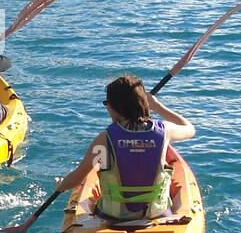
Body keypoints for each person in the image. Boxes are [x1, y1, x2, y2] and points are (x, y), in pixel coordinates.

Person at [53, 73, 195, 222]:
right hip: (155, 214)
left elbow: (76, 179)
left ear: (116, 107)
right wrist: (156, 106)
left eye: (107, 103)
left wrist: (61, 185)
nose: (107, 108)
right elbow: (189, 129)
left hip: (114, 216)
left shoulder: (104, 139)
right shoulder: (165, 132)